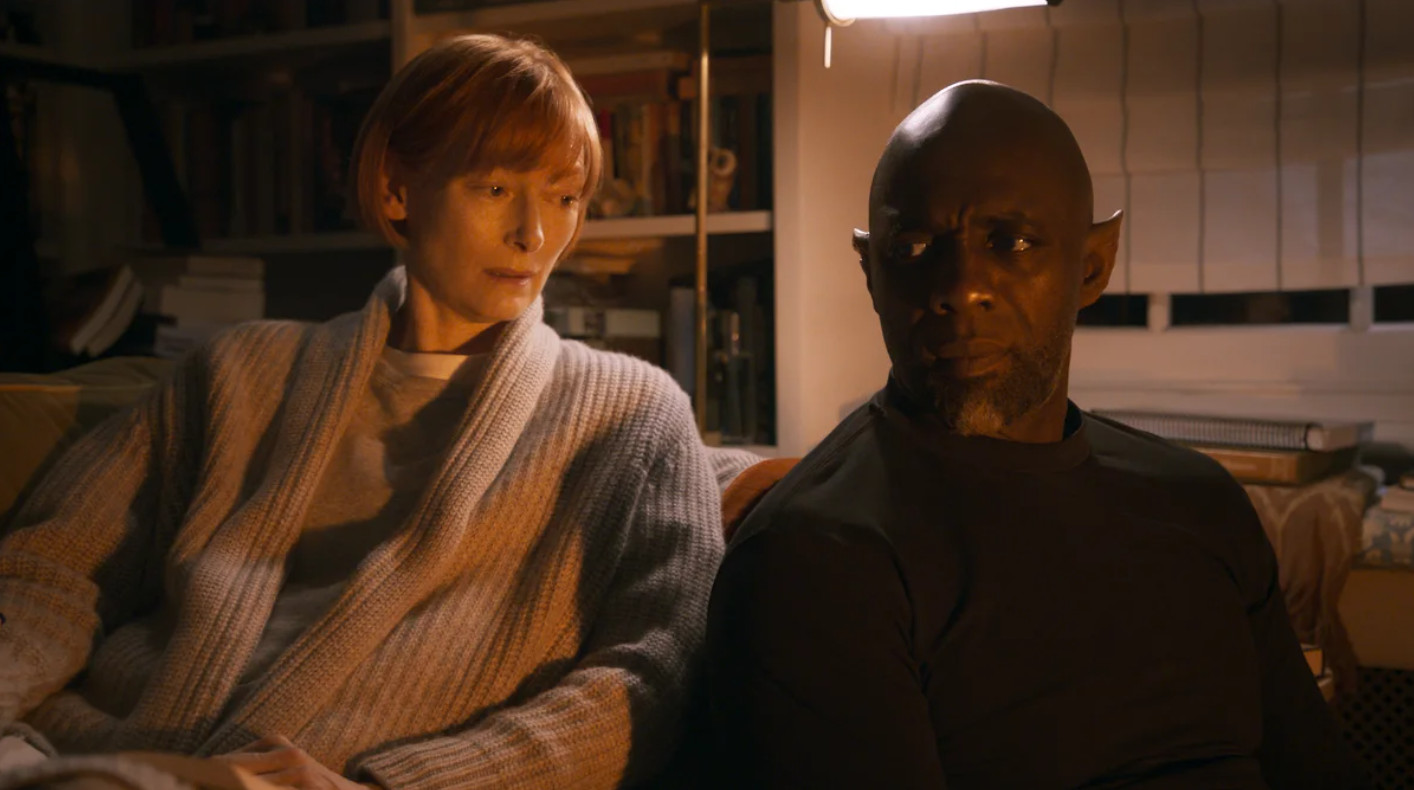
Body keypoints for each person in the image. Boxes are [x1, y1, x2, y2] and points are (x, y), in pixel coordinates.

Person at [0, 33, 751, 789]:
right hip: (85, 756)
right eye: (495, 189)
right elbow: (50, 571)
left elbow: (652, 672)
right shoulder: (238, 372)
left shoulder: (634, 415)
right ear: (396, 190)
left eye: (565, 198)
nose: (534, 234)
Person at [704, 80, 1369, 789]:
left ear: (1093, 265)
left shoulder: (1200, 501)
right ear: (872, 273)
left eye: (1010, 242)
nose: (960, 287)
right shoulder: (816, 557)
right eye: (914, 247)